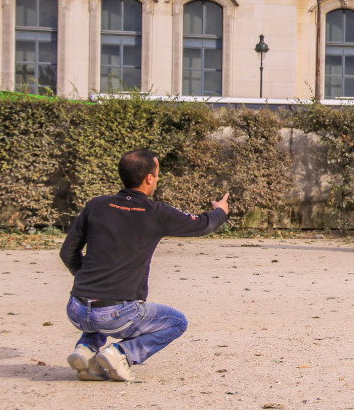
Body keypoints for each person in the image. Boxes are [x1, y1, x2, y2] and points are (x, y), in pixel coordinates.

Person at [59, 149, 230, 381]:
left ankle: (86, 350)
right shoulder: (156, 212)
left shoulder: (95, 206)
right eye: (157, 175)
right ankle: (121, 354)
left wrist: (87, 281)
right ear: (149, 178)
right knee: (177, 321)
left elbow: (68, 252)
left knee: (101, 308)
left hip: (77, 308)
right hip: (116, 314)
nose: (157, 179)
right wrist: (220, 210)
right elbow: (203, 224)